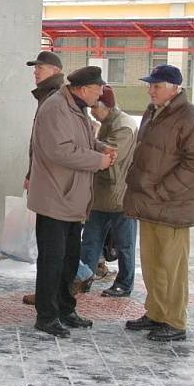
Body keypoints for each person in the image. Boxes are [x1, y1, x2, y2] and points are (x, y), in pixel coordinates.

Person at [123, 64, 194, 342]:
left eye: (157, 86)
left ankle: (175, 321)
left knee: (172, 268)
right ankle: (156, 313)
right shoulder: (153, 113)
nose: (150, 90)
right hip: (150, 204)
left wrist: (163, 191)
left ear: (175, 88)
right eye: (150, 85)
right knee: (152, 264)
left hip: (172, 206)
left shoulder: (191, 118)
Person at [28, 66, 115, 338]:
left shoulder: (76, 108)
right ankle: (47, 315)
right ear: (83, 89)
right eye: (98, 88)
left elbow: (83, 141)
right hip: (56, 196)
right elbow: (59, 150)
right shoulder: (56, 108)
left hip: (71, 198)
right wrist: (96, 161)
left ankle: (65, 309)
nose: (101, 93)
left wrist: (101, 149)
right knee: (52, 261)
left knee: (68, 259)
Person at [77, 85, 139, 297]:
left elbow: (111, 157)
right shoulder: (107, 123)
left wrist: (91, 141)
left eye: (95, 107)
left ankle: (124, 283)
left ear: (107, 106)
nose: (92, 111)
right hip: (101, 196)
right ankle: (82, 279)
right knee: (90, 242)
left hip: (119, 197)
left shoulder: (123, 126)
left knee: (124, 244)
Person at [21, 51, 64, 305]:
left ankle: (52, 297)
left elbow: (51, 144)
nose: (36, 72)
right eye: (35, 67)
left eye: (41, 68)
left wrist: (35, 172)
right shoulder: (47, 95)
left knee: (52, 243)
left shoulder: (56, 97)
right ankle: (51, 294)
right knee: (51, 242)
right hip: (44, 176)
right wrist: (30, 172)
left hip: (52, 180)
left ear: (55, 71)